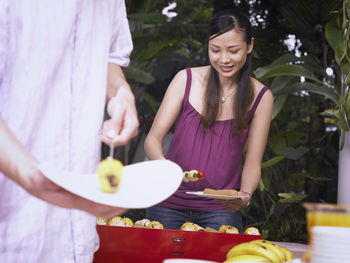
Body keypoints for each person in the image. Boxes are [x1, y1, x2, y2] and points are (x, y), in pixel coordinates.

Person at [0, 1, 139, 262]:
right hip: (12, 228)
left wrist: (121, 93)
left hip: (75, 235)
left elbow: (110, 57)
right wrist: (27, 170)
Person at [144, 9, 274, 232]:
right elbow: (152, 140)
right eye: (215, 50)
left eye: (233, 51)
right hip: (168, 203)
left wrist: (244, 196)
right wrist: (168, 171)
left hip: (221, 209)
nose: (224, 59)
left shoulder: (262, 97)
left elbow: (253, 163)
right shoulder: (185, 79)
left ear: (249, 46)